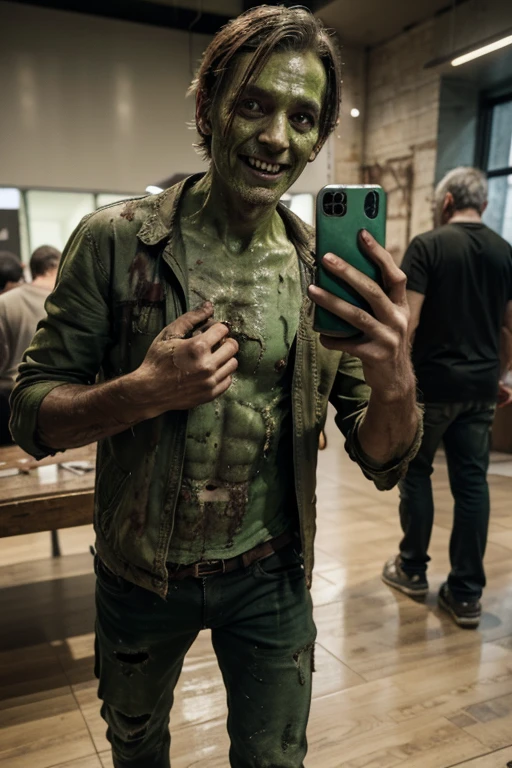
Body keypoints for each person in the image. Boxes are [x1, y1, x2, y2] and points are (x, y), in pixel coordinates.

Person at [10, 7, 421, 767]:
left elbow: (383, 458)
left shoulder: (321, 276)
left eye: (303, 117)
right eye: (254, 104)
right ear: (207, 108)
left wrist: (395, 380)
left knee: (274, 759)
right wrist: (142, 390)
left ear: (318, 137)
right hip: (140, 573)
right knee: (136, 747)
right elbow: (31, 414)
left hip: (271, 574)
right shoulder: (116, 242)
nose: (276, 137)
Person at [382, 166, 512, 629]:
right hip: (480, 390)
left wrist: (400, 381)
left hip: (432, 387)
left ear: (446, 203)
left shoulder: (428, 245)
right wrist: (499, 375)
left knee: (416, 474)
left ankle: (412, 569)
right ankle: (466, 594)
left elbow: (408, 323)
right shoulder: (504, 252)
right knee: (472, 485)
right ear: (485, 205)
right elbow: (507, 328)